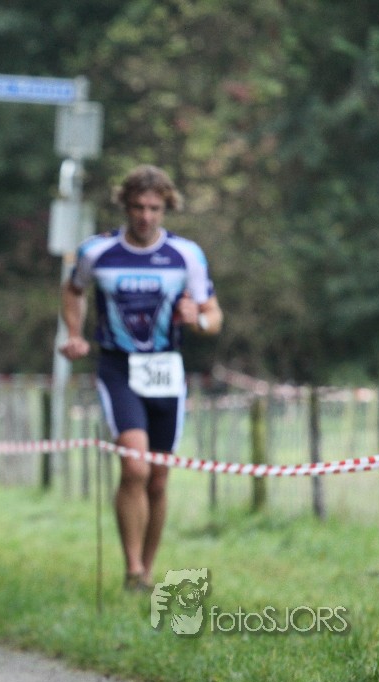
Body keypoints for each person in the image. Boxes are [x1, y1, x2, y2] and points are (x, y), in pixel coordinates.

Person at [58, 164, 223, 593]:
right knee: (135, 465)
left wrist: (198, 320)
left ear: (166, 207)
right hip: (118, 367)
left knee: (159, 476)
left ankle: (147, 570)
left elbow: (213, 315)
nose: (145, 216)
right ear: (125, 206)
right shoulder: (98, 251)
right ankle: (132, 569)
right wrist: (74, 334)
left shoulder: (186, 254)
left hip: (166, 369)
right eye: (137, 207)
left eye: (154, 208)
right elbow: (73, 290)